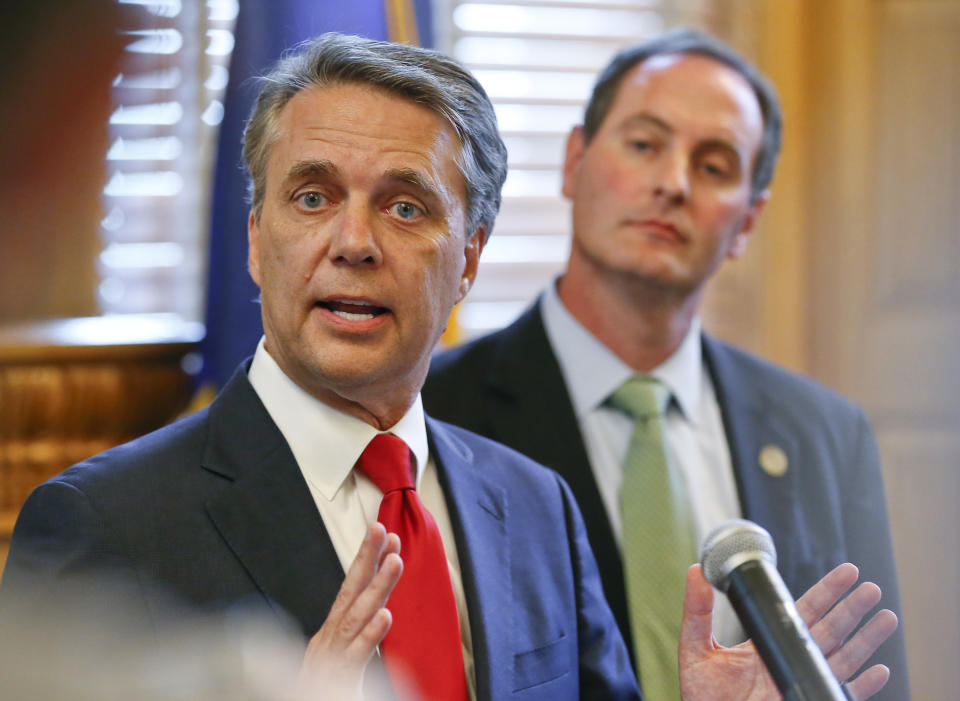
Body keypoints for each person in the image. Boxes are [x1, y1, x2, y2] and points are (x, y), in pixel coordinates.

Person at [2, 33, 895, 701]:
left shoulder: (536, 502)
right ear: (254, 239)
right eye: (312, 196)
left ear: (468, 259)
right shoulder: (101, 526)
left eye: (404, 205)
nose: (352, 242)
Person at [423, 27, 909, 701]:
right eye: (645, 144)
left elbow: (876, 682)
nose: (673, 183)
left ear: (746, 222)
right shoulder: (437, 411)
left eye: (713, 166)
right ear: (574, 161)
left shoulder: (825, 431)